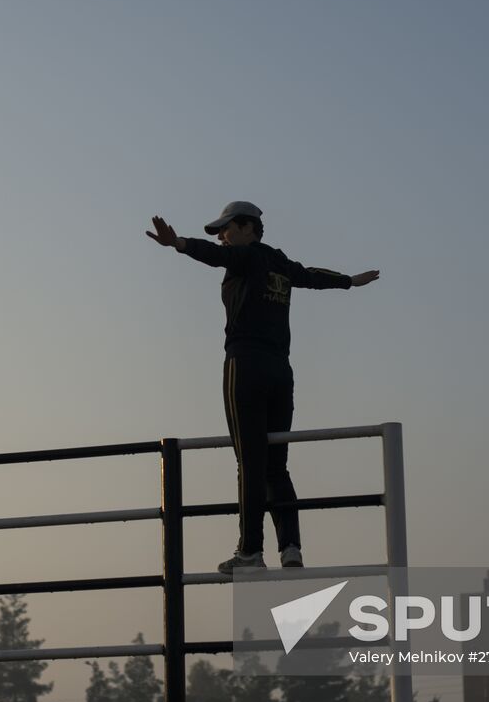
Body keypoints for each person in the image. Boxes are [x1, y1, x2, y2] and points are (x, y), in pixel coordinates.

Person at [147, 202, 379, 574]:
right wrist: (349, 281)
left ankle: (250, 551)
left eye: (226, 229)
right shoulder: (279, 262)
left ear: (247, 228)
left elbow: (210, 255)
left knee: (249, 464)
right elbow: (311, 275)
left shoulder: (246, 257)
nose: (222, 237)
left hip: (246, 365)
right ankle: (291, 548)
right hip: (280, 372)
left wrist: (179, 244)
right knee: (277, 467)